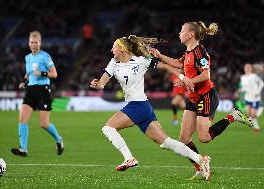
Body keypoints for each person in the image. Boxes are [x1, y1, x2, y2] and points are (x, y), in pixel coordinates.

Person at [90, 35, 211, 180]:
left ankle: (129, 158)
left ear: (122, 48)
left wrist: (183, 78)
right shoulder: (113, 63)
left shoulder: (140, 61)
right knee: (166, 143)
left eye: (114, 46)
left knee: (108, 128)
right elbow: (103, 83)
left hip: (138, 105)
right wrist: (97, 85)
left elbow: (165, 66)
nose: (111, 49)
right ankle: (200, 159)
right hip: (141, 107)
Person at [150, 21, 254, 179]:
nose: (179, 33)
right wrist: (159, 55)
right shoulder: (188, 52)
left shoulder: (200, 52)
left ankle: (233, 116)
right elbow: (178, 64)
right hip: (193, 98)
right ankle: (200, 167)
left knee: (204, 138)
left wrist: (187, 81)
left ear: (190, 34)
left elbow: (206, 75)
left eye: (182, 31)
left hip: (206, 96)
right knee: (184, 138)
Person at [11, 31, 64, 156]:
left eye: (36, 42)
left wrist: (41, 73)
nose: (33, 44)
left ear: (39, 43)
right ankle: (23, 148)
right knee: (22, 119)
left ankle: (58, 139)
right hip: (30, 90)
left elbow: (54, 74)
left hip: (43, 90)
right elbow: (28, 73)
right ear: (28, 43)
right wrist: (24, 82)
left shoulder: (45, 56)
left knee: (44, 124)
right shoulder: (27, 58)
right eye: (31, 42)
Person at [240, 63, 264, 132]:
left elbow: (262, 83)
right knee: (248, 114)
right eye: (246, 68)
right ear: (244, 69)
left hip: (255, 98)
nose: (247, 69)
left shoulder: (254, 76)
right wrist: (241, 90)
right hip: (248, 98)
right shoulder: (243, 77)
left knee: (253, 115)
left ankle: (256, 126)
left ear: (251, 69)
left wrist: (258, 92)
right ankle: (255, 126)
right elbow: (245, 87)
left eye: (248, 68)